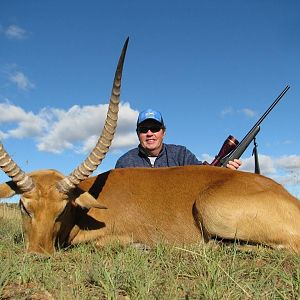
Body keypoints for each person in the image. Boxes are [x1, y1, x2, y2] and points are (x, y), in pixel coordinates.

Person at [115, 109, 241, 170]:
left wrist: (224, 172)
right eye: (144, 130)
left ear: (163, 132)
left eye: (155, 128)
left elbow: (203, 177)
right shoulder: (125, 163)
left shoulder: (181, 154)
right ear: (138, 134)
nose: (149, 133)